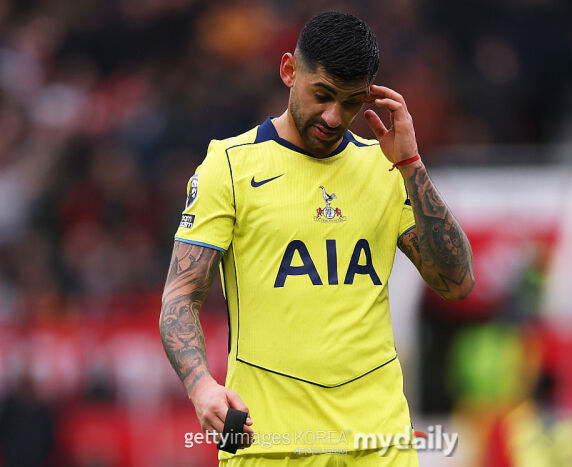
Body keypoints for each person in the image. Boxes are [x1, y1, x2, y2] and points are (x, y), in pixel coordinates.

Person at [159, 11, 474, 466]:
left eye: (351, 103)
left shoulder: (385, 167)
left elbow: (457, 283)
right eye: (322, 95)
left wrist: (411, 166)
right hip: (270, 443)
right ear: (289, 71)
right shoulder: (229, 166)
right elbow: (180, 298)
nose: (333, 116)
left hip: (379, 442)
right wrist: (200, 385)